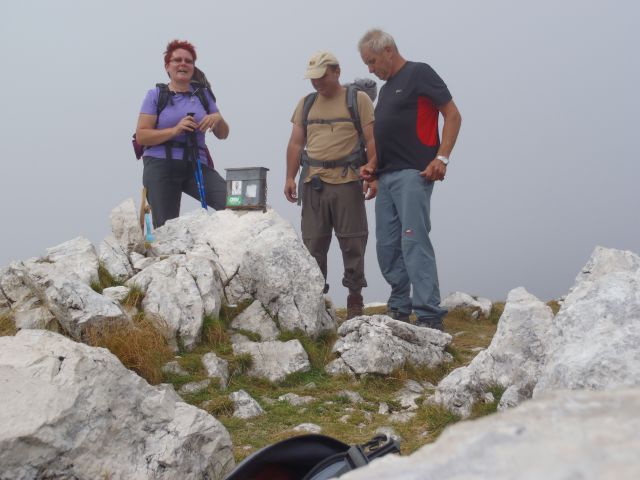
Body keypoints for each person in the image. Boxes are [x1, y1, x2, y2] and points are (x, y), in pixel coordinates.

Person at [358, 29, 462, 330]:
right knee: (387, 246)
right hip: (387, 177)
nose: (370, 69)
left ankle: (429, 315)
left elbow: (453, 115)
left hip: (414, 174)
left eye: (372, 61)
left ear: (388, 51)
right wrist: (373, 166)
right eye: (367, 63)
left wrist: (441, 158)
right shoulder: (388, 88)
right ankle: (400, 307)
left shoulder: (420, 73)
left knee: (414, 242)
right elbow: (389, 136)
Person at [284, 51, 378, 319]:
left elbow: (372, 140)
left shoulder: (357, 100)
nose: (316, 83)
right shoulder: (306, 103)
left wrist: (374, 174)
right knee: (313, 244)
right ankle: (317, 301)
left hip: (348, 181)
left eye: (321, 77)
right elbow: (295, 143)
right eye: (312, 78)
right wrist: (290, 177)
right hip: (313, 183)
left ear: (336, 71)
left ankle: (355, 298)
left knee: (353, 242)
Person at [136, 39, 229, 228]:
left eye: (188, 61)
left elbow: (223, 134)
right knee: (166, 228)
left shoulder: (203, 94)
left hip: (196, 163)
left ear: (193, 67)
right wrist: (175, 130)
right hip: (161, 164)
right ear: (167, 67)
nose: (183, 64)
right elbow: (142, 136)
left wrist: (217, 119)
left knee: (231, 202)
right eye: (177, 60)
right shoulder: (155, 95)